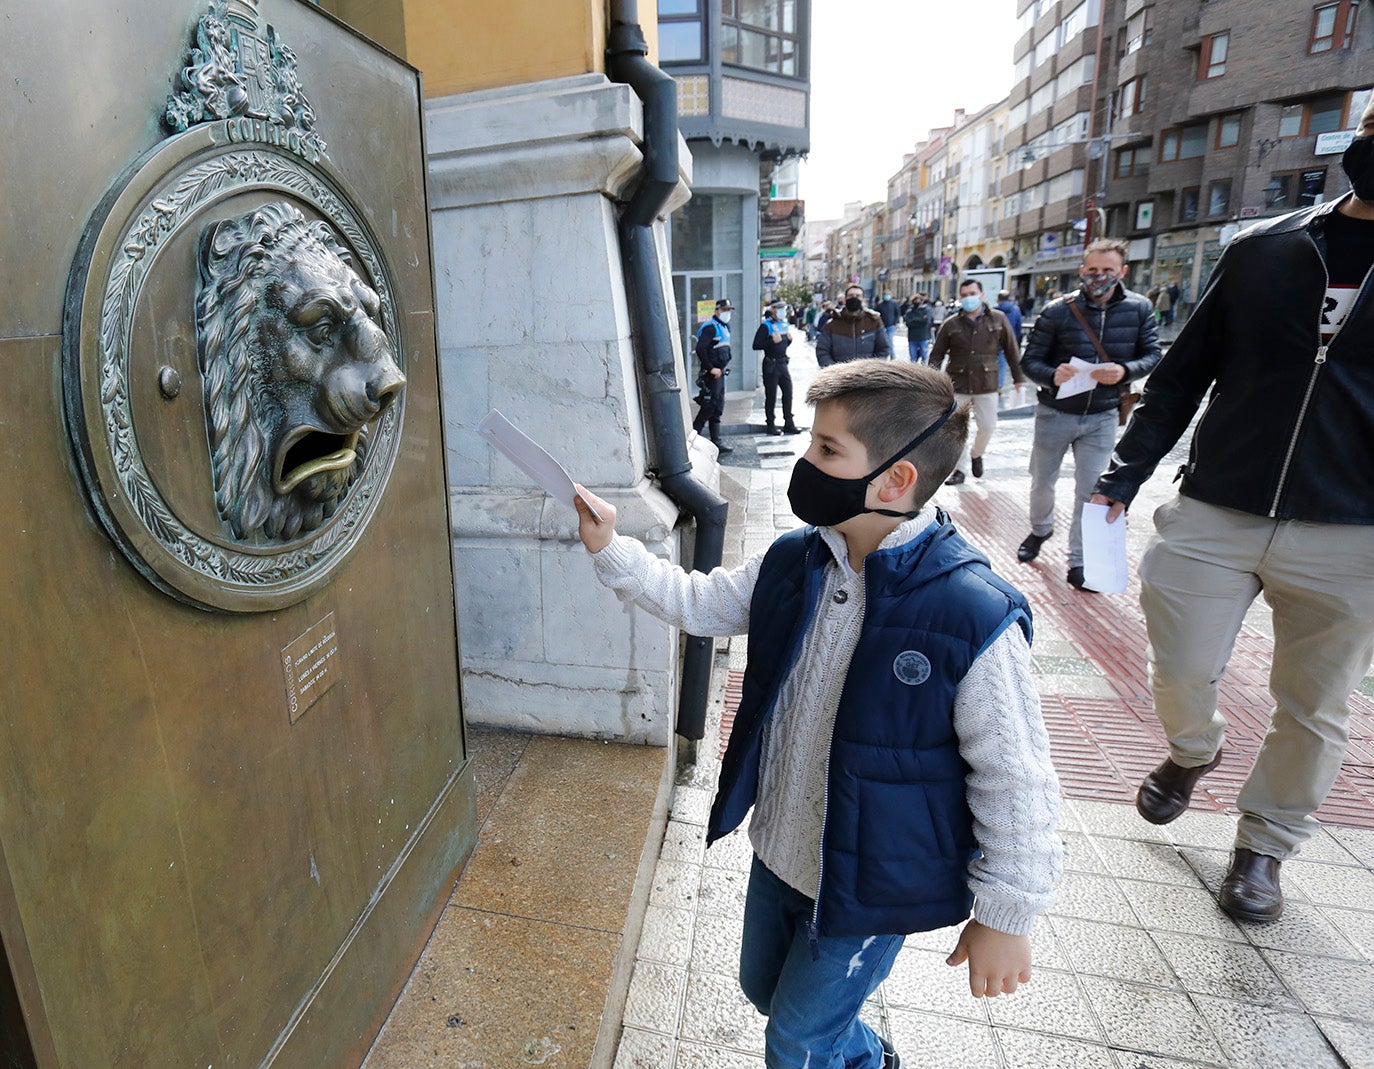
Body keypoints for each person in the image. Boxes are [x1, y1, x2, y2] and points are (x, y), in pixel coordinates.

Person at [573, 360, 1061, 1069]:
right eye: (811, 442)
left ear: (895, 480)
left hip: (871, 883)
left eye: (828, 450)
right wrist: (612, 548)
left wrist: (1005, 915)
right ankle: (865, 1057)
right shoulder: (794, 562)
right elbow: (700, 602)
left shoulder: (968, 613)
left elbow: (1016, 776)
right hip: (782, 849)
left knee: (796, 1039)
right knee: (764, 991)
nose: (806, 462)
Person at [1091, 98, 1374, 924]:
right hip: (1218, 502)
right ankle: (1194, 748)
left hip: (1352, 526)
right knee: (1178, 664)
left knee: (1315, 702)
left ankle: (1264, 845)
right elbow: (1183, 374)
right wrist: (1122, 474)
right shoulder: (1265, 249)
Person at [1016, 239, 1161, 589]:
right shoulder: (1057, 310)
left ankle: (1079, 561)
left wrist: (1125, 371)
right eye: (1093, 270)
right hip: (1055, 412)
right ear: (1082, 271)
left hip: (1102, 415)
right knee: (1042, 480)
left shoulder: (1139, 309)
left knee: (1092, 490)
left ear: (1122, 272)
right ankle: (1040, 529)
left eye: (1108, 270)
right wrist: (1053, 375)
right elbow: (1030, 361)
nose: (1099, 277)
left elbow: (1152, 355)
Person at [929, 279, 1026, 484]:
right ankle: (959, 469)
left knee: (988, 426)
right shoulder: (951, 324)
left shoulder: (998, 319)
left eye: (972, 293)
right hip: (958, 383)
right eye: (964, 295)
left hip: (987, 383)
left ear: (982, 295)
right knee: (956, 430)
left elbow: (1012, 350)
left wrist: (1019, 378)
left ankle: (977, 453)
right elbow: (936, 354)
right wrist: (931, 382)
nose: (968, 298)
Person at [692, 298, 735, 455]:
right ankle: (692, 439)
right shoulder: (710, 327)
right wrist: (711, 368)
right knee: (708, 407)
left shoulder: (724, 327)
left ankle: (716, 441)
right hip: (711, 375)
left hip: (720, 374)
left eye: (729, 310)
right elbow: (700, 349)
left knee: (717, 408)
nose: (727, 313)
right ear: (717, 311)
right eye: (724, 310)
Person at [753, 300, 801, 436]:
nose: (782, 311)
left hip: (782, 363)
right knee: (771, 395)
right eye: (779, 308)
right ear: (773, 309)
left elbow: (782, 344)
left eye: (783, 308)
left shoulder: (784, 324)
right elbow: (756, 345)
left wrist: (788, 341)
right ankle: (771, 424)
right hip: (771, 364)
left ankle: (789, 423)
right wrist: (770, 341)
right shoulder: (766, 326)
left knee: (788, 392)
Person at [817, 284, 891, 365]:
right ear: (845, 299)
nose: (854, 298)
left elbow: (883, 349)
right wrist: (834, 369)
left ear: (863, 299)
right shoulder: (832, 324)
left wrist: (874, 369)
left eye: (858, 296)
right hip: (840, 372)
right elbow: (822, 351)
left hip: (867, 372)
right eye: (850, 296)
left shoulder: (874, 321)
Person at [995, 289, 1025, 391]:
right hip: (1009, 340)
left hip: (995, 340)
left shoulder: (995, 311)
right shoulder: (1016, 310)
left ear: (998, 299)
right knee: (1002, 364)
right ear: (1009, 298)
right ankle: (999, 386)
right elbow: (1019, 326)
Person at [902, 293, 934, 364]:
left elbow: (926, 321)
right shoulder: (909, 312)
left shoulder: (926, 310)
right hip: (912, 337)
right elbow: (908, 323)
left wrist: (914, 321)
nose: (917, 302)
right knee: (913, 358)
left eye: (918, 300)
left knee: (924, 357)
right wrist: (920, 320)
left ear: (922, 301)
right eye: (915, 300)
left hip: (923, 337)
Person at [875, 291, 902, 356]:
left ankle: (891, 354)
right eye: (886, 295)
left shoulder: (894, 304)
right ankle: (888, 353)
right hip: (883, 325)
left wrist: (895, 322)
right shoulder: (880, 305)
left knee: (890, 339)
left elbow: (897, 313)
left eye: (888, 294)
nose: (887, 296)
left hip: (891, 325)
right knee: (884, 340)